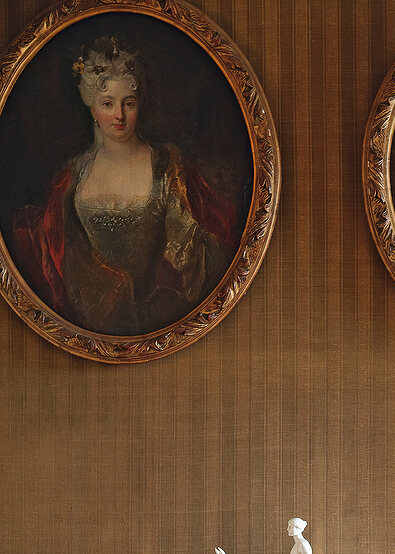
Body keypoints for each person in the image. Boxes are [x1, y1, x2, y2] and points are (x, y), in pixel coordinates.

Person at [13, 36, 239, 336]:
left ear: (138, 105)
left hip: (157, 319)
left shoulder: (166, 164)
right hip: (86, 324)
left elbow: (190, 248)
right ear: (92, 108)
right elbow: (60, 253)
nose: (119, 115)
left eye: (127, 103)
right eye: (108, 104)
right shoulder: (73, 175)